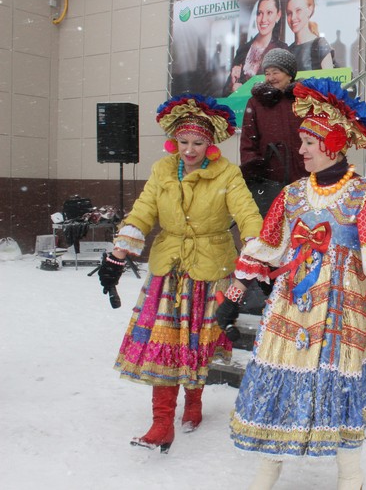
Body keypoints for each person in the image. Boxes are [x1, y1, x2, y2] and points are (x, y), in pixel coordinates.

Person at [216, 77, 366, 489]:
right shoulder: (291, 195)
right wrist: (233, 298)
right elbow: (264, 249)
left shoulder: (365, 196)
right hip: (293, 302)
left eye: (310, 142)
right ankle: (266, 473)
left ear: (333, 143)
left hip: (343, 304)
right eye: (303, 141)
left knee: (341, 383)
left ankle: (351, 475)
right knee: (278, 379)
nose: (302, 149)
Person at [98, 94, 263, 453]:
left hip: (210, 267)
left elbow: (247, 213)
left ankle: (194, 403)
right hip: (168, 267)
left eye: (198, 143)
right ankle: (161, 423)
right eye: (184, 142)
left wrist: (256, 244)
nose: (190, 150)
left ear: (211, 143)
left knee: (195, 344)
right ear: (175, 141)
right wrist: (118, 253)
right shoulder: (162, 170)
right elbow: (142, 212)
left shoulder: (227, 174)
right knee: (165, 345)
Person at [240, 48, 306, 215]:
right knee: (273, 228)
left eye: (275, 72)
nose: (270, 78)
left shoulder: (305, 99)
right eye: (267, 73)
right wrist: (255, 172)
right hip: (270, 178)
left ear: (290, 74)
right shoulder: (256, 103)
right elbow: (248, 142)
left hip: (304, 174)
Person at [224, 0, 289, 96]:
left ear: (278, 15)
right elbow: (225, 93)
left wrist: (245, 90)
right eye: (260, 13)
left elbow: (284, 89)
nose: (263, 19)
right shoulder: (243, 50)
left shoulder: (282, 50)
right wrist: (232, 87)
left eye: (269, 13)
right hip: (243, 110)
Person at [286, 0, 335, 71]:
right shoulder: (288, 50)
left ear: (310, 10)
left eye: (298, 10)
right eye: (289, 13)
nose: (293, 17)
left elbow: (329, 81)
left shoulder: (320, 45)